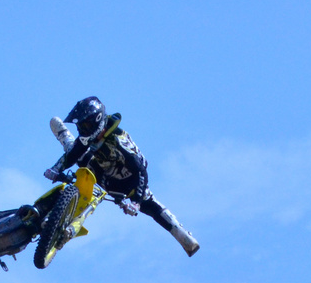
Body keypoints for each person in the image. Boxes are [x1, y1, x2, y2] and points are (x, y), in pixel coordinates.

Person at [45, 96, 199, 256]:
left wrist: (136, 202)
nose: (82, 130)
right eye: (80, 126)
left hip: (129, 183)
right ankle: (64, 135)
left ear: (97, 122)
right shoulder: (88, 137)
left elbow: (141, 171)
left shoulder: (119, 141)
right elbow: (75, 152)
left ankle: (182, 235)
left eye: (85, 125)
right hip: (102, 174)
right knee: (75, 150)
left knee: (150, 203)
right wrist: (56, 169)